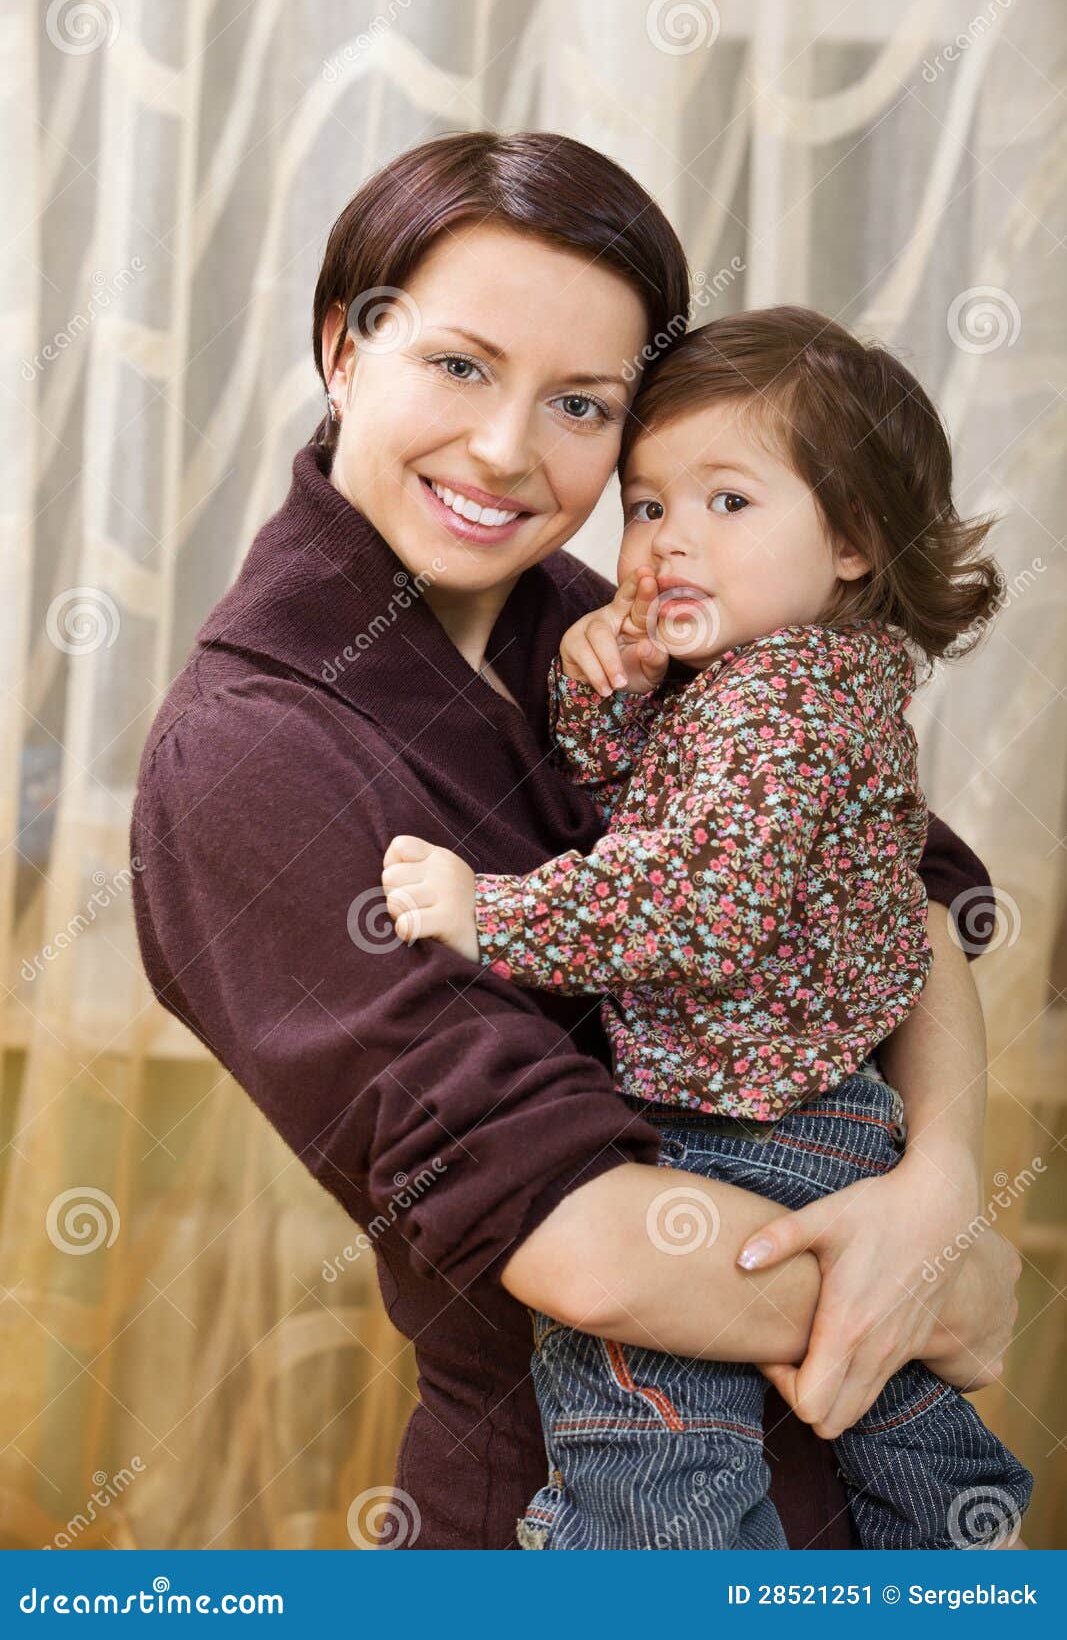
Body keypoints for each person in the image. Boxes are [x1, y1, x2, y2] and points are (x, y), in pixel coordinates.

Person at [130, 134, 1018, 1551]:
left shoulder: (604, 617)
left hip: (844, 1501)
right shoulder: (251, 755)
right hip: (585, 1506)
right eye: (459, 365)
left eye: (580, 404)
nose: (503, 451)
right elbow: (591, 1253)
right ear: (343, 348)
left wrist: (937, 1185)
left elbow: (900, 893)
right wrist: (938, 1294)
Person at [380, 305, 1033, 1551]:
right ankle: (957, 1549)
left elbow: (693, 905)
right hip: (828, 1111)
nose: (668, 541)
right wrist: (611, 701)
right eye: (645, 506)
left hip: (737, 1123)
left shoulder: (774, 709)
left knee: (644, 1437)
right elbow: (682, 823)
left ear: (850, 539)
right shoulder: (794, 679)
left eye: (726, 503)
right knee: (885, 1400)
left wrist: (488, 912)